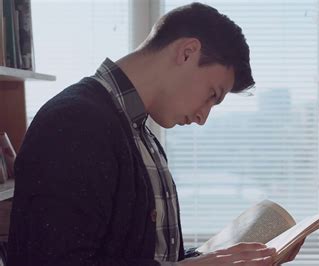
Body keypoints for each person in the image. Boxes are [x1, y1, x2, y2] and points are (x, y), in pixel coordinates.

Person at [7, 2, 302, 265]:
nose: (202, 117)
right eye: (212, 94)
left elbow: (153, 258)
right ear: (187, 53)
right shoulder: (74, 123)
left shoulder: (143, 139)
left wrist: (233, 258)